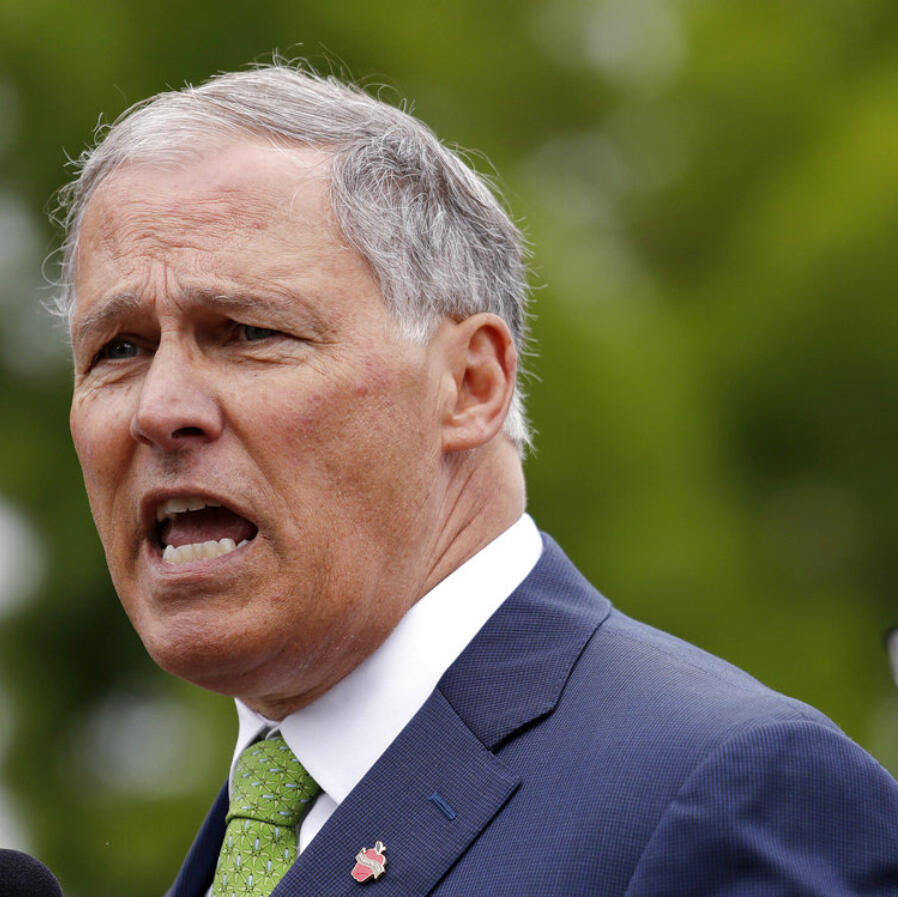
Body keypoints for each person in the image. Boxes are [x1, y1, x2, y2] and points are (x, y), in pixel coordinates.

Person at [58, 64, 898, 896]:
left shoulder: (733, 795)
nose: (159, 409)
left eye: (245, 331)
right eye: (118, 349)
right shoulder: (256, 828)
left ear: (470, 385)